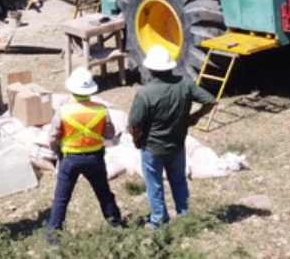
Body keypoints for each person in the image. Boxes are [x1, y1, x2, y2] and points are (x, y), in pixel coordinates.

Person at [127, 45, 218, 227]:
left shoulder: (145, 94)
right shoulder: (185, 84)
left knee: (154, 186)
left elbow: (135, 125)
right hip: (177, 145)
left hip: (152, 148)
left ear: (150, 69)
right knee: (179, 182)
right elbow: (211, 101)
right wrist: (195, 117)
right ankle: (184, 217)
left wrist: (137, 141)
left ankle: (159, 223)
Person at [46, 68, 123, 238]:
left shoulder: (64, 111)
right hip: (95, 158)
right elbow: (109, 134)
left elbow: (53, 137)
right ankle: (116, 224)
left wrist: (57, 151)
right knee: (104, 193)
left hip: (70, 159)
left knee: (61, 198)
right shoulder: (101, 110)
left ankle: (53, 236)